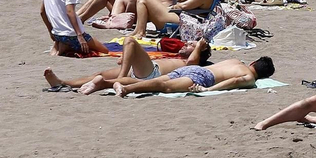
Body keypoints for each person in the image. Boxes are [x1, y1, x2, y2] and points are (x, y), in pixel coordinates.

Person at [45, 38, 211, 95]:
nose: (187, 44)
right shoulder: (176, 56)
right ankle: (63, 83)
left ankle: (120, 79)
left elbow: (192, 62)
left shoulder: (192, 64)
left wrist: (199, 47)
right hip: (144, 69)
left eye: (191, 45)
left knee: (129, 40)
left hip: (152, 73)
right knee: (101, 73)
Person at [115, 56, 276, 96]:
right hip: (203, 77)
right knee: (164, 87)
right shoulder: (249, 77)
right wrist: (208, 89)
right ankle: (127, 89)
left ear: (253, 62)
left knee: (154, 81)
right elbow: (234, 81)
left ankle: (109, 83)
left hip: (194, 68)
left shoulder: (236, 61)